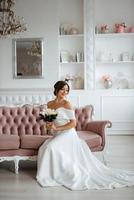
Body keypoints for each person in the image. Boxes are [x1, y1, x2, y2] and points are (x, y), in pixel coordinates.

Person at [36, 80, 134, 190]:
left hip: (67, 133)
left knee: (51, 147)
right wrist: (49, 125)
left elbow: (73, 123)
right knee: (44, 147)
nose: (65, 92)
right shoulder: (50, 104)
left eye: (67, 90)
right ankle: (51, 173)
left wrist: (57, 128)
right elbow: (51, 120)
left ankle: (58, 175)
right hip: (57, 134)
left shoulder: (67, 104)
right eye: (62, 89)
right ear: (56, 89)